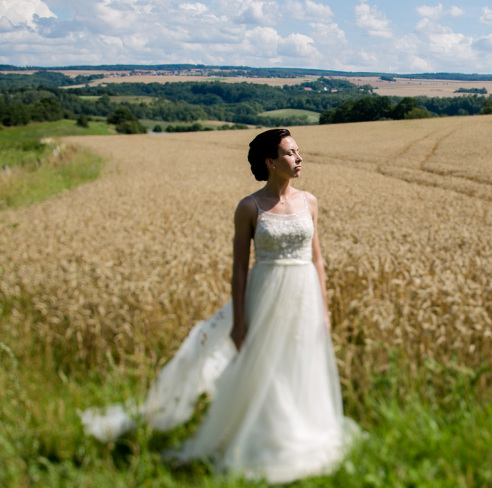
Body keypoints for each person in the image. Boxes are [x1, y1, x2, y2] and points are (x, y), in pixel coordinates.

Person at [81, 128, 357, 484]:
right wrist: (238, 322)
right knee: (264, 365)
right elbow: (239, 270)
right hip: (265, 293)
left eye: (298, 151)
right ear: (270, 162)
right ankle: (265, 435)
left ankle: (301, 430)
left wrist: (324, 308)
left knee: (299, 361)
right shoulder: (249, 207)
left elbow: (317, 259)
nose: (299, 158)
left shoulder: (310, 202)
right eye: (290, 153)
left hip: (304, 294)